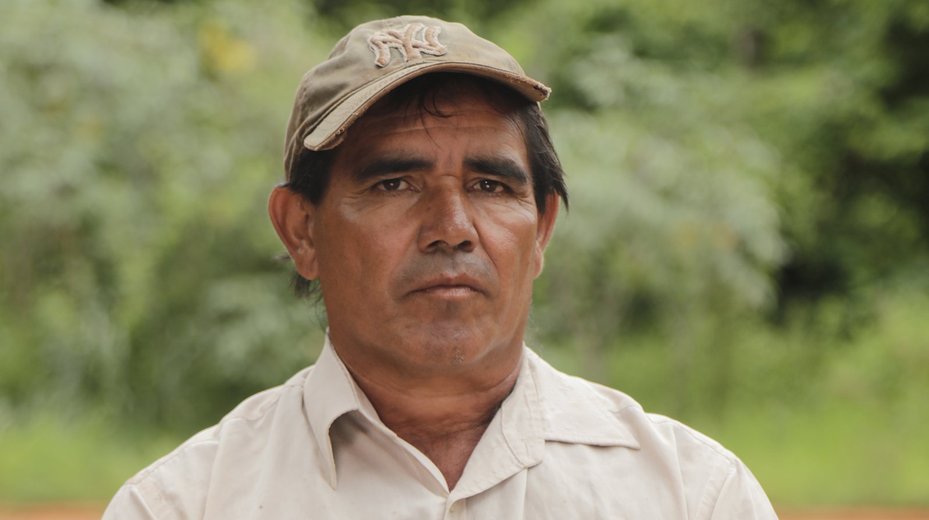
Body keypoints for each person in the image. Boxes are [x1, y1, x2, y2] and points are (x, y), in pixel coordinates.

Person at [103, 15, 778, 519]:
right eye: (394, 184)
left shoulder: (690, 495)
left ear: (540, 230)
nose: (451, 229)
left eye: (490, 186)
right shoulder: (184, 506)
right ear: (301, 231)